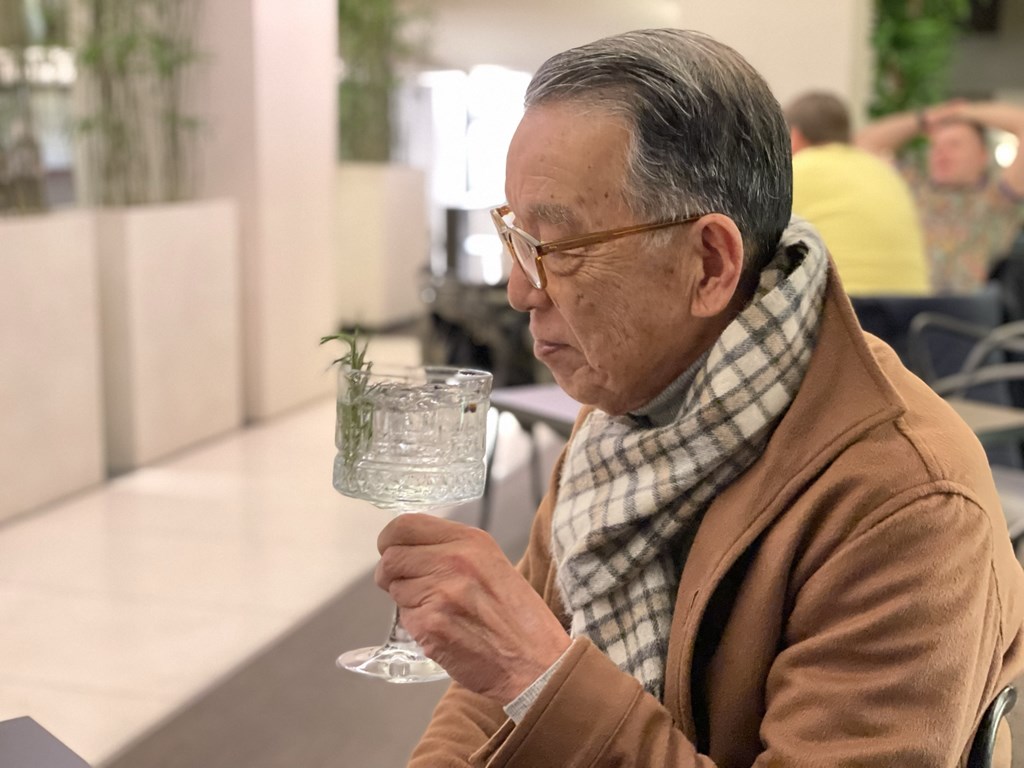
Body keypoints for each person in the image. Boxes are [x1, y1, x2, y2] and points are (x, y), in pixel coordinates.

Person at [374, 29, 1024, 766]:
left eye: (557, 247)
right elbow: (489, 685)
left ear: (710, 264)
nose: (520, 289)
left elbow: (518, 663)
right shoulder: (626, 406)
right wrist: (517, 675)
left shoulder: (906, 505)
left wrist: (540, 675)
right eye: (516, 235)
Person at [857, 98, 1024, 294]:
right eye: (936, 146)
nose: (942, 153)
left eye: (954, 145)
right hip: (909, 303)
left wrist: (963, 112)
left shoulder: (998, 198)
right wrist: (925, 118)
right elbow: (864, 144)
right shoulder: (911, 190)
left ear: (982, 155)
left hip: (974, 307)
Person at [785, 91, 930, 295]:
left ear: (794, 136)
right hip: (914, 307)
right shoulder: (885, 172)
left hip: (846, 306)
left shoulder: (796, 170)